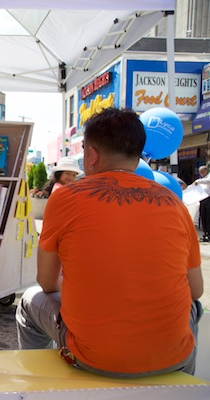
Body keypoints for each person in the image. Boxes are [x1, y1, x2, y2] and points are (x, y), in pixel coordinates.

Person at [15, 107, 204, 378]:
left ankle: (36, 384)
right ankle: (184, 388)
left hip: (91, 358)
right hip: (174, 359)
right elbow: (195, 290)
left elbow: (46, 282)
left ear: (91, 156)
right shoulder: (174, 202)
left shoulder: (64, 198)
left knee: (29, 301)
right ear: (138, 154)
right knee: (193, 307)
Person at [194, 165, 210, 242]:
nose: (201, 174)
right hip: (202, 199)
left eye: (202, 172)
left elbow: (208, 181)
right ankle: (205, 233)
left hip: (208, 199)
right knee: (203, 216)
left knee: (208, 217)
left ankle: (209, 234)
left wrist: (198, 181)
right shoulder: (201, 179)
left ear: (206, 171)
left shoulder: (208, 177)